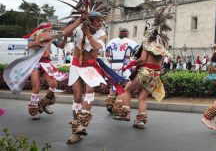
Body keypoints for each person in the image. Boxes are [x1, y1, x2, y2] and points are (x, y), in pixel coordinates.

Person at [111, 6, 171, 129]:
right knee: (142, 98)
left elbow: (143, 59)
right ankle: (141, 121)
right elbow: (160, 63)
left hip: (144, 72)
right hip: (156, 75)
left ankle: (125, 114)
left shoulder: (147, 44)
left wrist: (132, 63)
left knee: (126, 90)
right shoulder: (162, 48)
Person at [4, 22, 67, 120]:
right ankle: (34, 108)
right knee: (36, 87)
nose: (49, 31)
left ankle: (45, 102)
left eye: (50, 29)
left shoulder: (51, 37)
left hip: (46, 63)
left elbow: (61, 47)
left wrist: (65, 38)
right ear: (42, 29)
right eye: (47, 29)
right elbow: (30, 45)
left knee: (54, 84)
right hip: (35, 62)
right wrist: (42, 39)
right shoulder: (34, 36)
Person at [63, 11, 108, 144]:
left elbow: (97, 46)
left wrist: (87, 33)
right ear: (91, 20)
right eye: (98, 20)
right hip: (76, 66)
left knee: (90, 90)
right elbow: (65, 33)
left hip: (91, 67)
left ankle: (82, 122)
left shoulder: (101, 34)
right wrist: (79, 21)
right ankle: (76, 129)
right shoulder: (78, 29)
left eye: (101, 20)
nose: (101, 23)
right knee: (77, 97)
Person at [104, 28, 139, 113]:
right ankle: (120, 104)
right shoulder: (130, 42)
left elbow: (107, 54)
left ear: (119, 33)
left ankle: (110, 104)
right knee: (125, 86)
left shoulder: (111, 41)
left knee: (114, 84)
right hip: (124, 66)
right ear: (127, 34)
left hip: (113, 65)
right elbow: (137, 52)